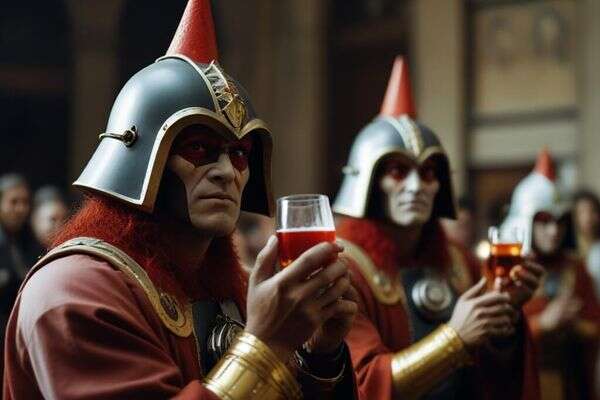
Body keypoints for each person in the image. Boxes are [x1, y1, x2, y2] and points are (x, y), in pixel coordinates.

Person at [3, 1, 358, 398]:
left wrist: (320, 356)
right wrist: (266, 345)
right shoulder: (73, 290)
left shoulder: (232, 287)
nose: (227, 171)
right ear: (142, 158)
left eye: (239, 154)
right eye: (199, 148)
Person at [333, 56, 543, 399]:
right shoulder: (341, 269)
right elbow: (363, 384)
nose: (416, 186)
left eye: (428, 172)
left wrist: (504, 317)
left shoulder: (459, 262)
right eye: (398, 171)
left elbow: (492, 377)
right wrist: (454, 339)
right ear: (368, 182)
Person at [502, 149, 600, 400]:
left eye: (560, 221)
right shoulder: (505, 269)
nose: (554, 231)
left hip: (571, 384)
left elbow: (595, 325)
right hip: (521, 384)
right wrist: (542, 324)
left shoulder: (575, 267)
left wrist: (575, 325)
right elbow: (492, 340)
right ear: (526, 221)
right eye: (544, 221)